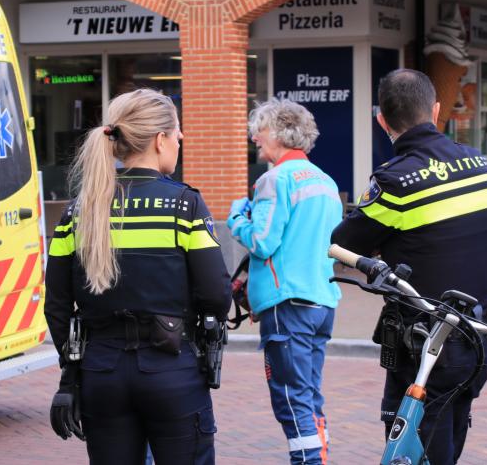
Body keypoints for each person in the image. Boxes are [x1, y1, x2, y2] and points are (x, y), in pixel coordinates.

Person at [44, 89, 232, 465]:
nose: (181, 140)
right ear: (160, 140)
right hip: (171, 369)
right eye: (178, 133)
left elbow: (57, 306)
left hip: (101, 373)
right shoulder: (184, 205)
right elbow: (216, 296)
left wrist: (72, 372)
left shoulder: (78, 211)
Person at [331, 69, 487, 465]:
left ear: (382, 121)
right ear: (437, 110)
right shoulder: (478, 164)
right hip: (483, 339)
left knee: (413, 450)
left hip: (429, 347)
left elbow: (344, 242)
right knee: (450, 437)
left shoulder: (395, 182)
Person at [226, 98, 343, 465]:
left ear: (277, 132)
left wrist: (235, 218)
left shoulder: (275, 180)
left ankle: (308, 461)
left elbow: (262, 241)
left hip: (287, 306)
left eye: (258, 130)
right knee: (309, 393)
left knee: (290, 398)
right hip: (321, 301)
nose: (254, 138)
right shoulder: (324, 180)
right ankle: (319, 456)